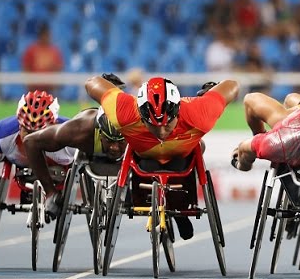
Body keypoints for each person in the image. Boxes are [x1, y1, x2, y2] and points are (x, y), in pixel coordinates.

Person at [85, 75, 240, 240]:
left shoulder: (199, 112)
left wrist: (214, 89)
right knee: (153, 163)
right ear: (141, 114)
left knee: (198, 148)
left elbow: (233, 84)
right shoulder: (125, 110)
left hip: (181, 159)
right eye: (152, 125)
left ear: (177, 113)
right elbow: (91, 83)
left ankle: (179, 211)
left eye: (167, 124)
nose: (161, 132)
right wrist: (112, 89)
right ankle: (139, 195)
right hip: (143, 160)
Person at [23, 88, 128, 219]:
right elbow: (30, 142)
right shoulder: (80, 131)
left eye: (120, 142)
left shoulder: (141, 132)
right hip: (88, 137)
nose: (114, 147)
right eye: (109, 140)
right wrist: (50, 192)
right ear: (100, 133)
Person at [0, 90, 76, 222]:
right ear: (19, 125)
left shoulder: (70, 134)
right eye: (27, 131)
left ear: (53, 126)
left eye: (39, 133)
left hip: (60, 170)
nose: (32, 140)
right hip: (24, 169)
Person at [21, 22, 64, 95]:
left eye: (47, 34)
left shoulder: (54, 51)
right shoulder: (31, 50)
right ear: (40, 35)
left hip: (50, 91)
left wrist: (53, 83)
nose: (46, 37)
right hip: (34, 91)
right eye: (44, 35)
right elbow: (26, 68)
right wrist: (30, 84)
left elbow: (58, 69)